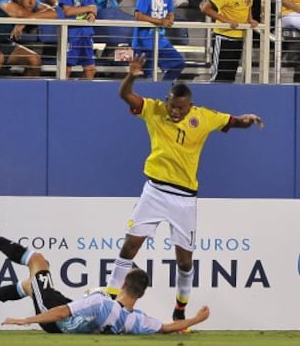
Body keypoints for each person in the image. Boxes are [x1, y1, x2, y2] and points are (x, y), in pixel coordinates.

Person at [105, 53, 264, 323]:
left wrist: (245, 119)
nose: (176, 112)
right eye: (172, 106)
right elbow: (125, 96)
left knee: (185, 262)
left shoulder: (203, 117)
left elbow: (231, 122)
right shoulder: (154, 110)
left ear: (190, 106)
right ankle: (108, 303)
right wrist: (131, 76)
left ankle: (179, 310)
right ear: (166, 101)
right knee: (129, 247)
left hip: (184, 199)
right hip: (154, 191)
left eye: (182, 108)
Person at [0, 206, 210, 334]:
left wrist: (25, 320)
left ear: (123, 284)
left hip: (57, 319)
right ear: (140, 294)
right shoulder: (134, 320)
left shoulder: (101, 303)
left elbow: (60, 313)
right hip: (69, 314)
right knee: (30, 285)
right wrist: (197, 319)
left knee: (38, 261)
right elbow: (166, 328)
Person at [0, 0, 58, 77]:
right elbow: (20, 13)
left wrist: (26, 21)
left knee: (34, 60)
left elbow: (53, 13)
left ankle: (25, 92)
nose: (31, 2)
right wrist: (29, 18)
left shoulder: (31, 2)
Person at [200, 0, 259, 82]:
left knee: (231, 75)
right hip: (223, 37)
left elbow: (247, 7)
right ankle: (216, 94)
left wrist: (250, 19)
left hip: (239, 38)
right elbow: (205, 8)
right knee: (218, 76)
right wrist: (227, 21)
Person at [131, 0, 185, 80]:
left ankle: (164, 88)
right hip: (143, 42)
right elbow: (138, 16)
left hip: (161, 41)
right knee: (145, 78)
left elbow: (170, 13)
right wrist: (160, 21)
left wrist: (170, 18)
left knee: (178, 63)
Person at [56, 0, 98, 79]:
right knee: (66, 69)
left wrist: (91, 14)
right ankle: (61, 91)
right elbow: (68, 11)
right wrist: (89, 8)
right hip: (71, 34)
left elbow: (94, 8)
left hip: (86, 34)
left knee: (90, 69)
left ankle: (83, 91)